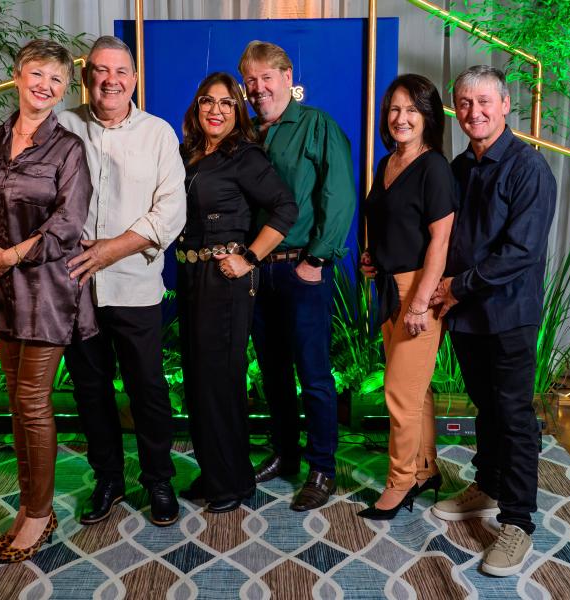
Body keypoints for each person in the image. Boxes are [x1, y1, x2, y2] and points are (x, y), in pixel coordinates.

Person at [0, 39, 97, 563]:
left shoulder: (68, 148)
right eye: (37, 74)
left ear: (64, 92)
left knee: (33, 401)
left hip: (47, 288)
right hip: (2, 287)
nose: (45, 85)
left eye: (56, 80)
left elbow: (68, 225)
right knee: (16, 402)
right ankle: (28, 505)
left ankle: (39, 514)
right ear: (17, 76)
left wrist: (8, 257)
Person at [430, 65, 556, 577]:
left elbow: (521, 251)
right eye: (464, 103)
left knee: (514, 415)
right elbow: (441, 233)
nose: (474, 112)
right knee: (486, 407)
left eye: (484, 102)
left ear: (505, 105)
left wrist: (456, 287)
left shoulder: (529, 168)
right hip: (467, 316)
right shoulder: (459, 167)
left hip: (508, 315)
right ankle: (487, 486)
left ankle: (518, 522)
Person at [59, 36, 187, 527]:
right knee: (90, 389)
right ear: (86, 76)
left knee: (147, 388)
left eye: (120, 71)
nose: (110, 80)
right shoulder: (62, 126)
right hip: (75, 289)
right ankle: (108, 478)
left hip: (134, 285)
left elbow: (171, 209)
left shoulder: (158, 133)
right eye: (101, 70)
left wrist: (113, 248)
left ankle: (158, 479)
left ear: (134, 79)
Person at [238, 41, 355, 512]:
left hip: (301, 268)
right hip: (257, 272)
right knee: (273, 372)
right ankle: (285, 452)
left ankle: (322, 467)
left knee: (313, 374)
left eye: (266, 77)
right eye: (250, 80)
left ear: (288, 77)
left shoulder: (317, 125)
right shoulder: (247, 133)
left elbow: (339, 196)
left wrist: (317, 261)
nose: (258, 88)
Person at [177, 72, 297, 513]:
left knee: (220, 381)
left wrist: (249, 257)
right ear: (197, 107)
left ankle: (232, 483)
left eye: (226, 103)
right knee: (197, 379)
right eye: (207, 101)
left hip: (225, 279)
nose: (216, 110)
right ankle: (214, 471)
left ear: (238, 110)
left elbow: (286, 207)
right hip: (191, 276)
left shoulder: (243, 155)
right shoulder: (189, 153)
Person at [356, 74, 455, 520]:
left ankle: (400, 483)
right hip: (387, 286)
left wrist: (419, 303)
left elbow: (440, 241)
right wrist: (371, 258)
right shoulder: (388, 163)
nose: (402, 118)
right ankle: (425, 467)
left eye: (412, 109)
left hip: (418, 290)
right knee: (416, 389)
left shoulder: (434, 168)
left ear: (428, 116)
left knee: (399, 391)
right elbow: (387, 222)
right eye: (395, 109)